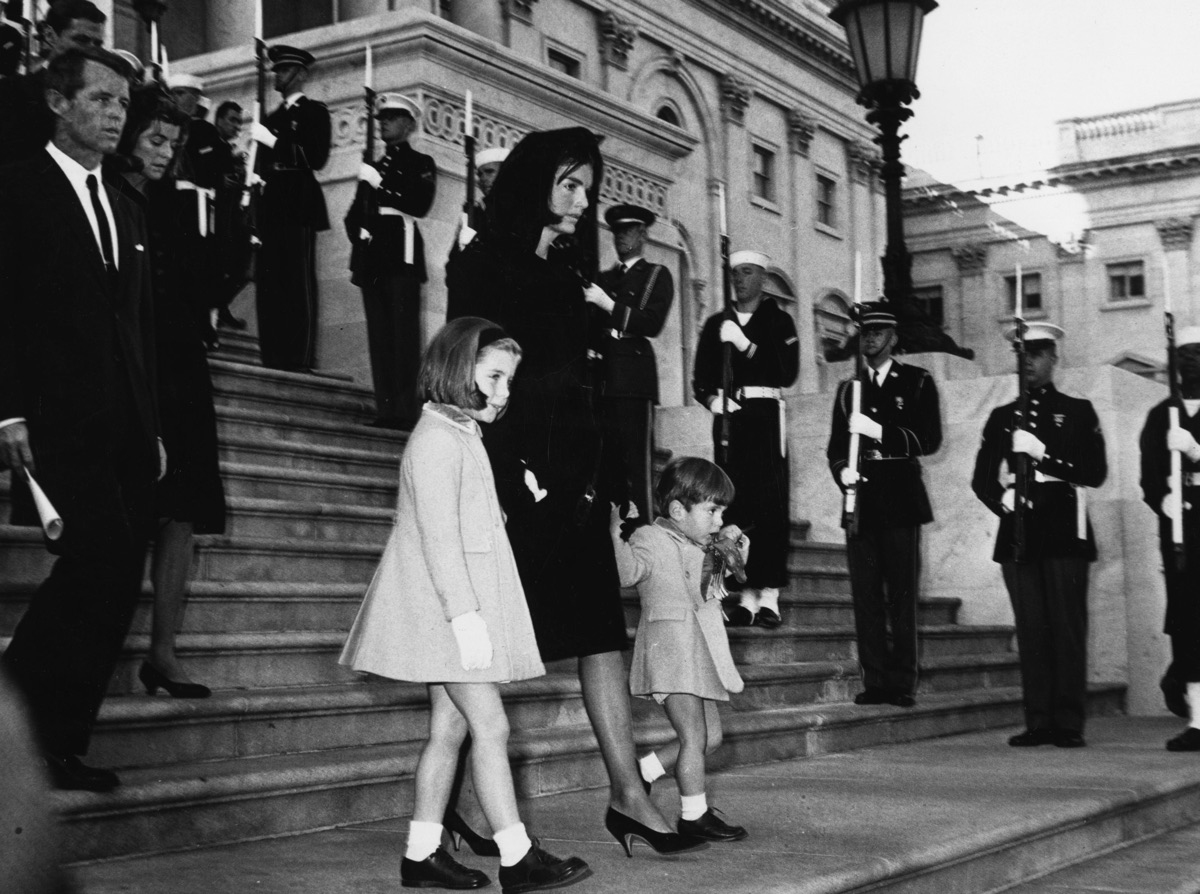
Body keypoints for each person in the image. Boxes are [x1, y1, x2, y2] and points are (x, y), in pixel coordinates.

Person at [446, 127, 699, 856]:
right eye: (568, 184)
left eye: (587, 187)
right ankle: (460, 801)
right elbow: (469, 379)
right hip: (517, 481)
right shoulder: (481, 266)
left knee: (598, 636)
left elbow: (596, 387)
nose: (581, 200)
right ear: (532, 184)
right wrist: (504, 473)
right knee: (493, 643)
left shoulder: (566, 275)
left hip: (580, 483)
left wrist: (618, 482)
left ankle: (628, 794)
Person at [340, 317, 590, 893]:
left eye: (509, 381)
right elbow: (437, 537)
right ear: (457, 370)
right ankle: (516, 855)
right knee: (492, 726)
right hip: (448, 612)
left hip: (453, 609)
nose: (504, 393)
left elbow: (463, 520)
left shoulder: (458, 434)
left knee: (449, 730)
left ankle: (421, 853)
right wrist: (464, 616)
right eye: (494, 377)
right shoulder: (434, 440)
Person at [0, 45, 162, 791]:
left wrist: (151, 425)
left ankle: (54, 745)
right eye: (100, 100)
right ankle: (16, 725)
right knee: (97, 562)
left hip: (122, 424)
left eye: (123, 104)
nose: (114, 116)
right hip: (51, 418)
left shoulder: (126, 204)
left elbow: (133, 327)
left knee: (119, 573)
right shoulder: (17, 188)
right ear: (59, 103)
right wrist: (7, 414)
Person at [109, 85, 227, 700]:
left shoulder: (178, 203)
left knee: (181, 511)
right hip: (132, 365)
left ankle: (162, 651)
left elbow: (205, 282)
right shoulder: (107, 192)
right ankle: (98, 649)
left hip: (180, 367)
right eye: (155, 139)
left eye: (172, 144)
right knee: (133, 510)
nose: (164, 152)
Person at [971, 322, 1107, 749]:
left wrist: (1043, 455)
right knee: (1031, 631)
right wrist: (1003, 502)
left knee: (1066, 628)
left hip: (1065, 528)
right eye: (1021, 354)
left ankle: (1068, 722)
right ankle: (1038, 721)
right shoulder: (1002, 416)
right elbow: (981, 480)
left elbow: (1094, 473)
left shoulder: (1078, 411)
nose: (1028, 361)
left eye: (1036, 353)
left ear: (1053, 358)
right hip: (1020, 534)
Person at [610, 456, 748, 847]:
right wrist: (614, 533)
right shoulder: (650, 539)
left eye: (722, 511)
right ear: (677, 510)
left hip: (698, 652)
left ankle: (642, 774)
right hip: (670, 650)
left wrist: (732, 553)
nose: (719, 520)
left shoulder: (696, 543)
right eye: (712, 510)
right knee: (693, 736)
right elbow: (625, 574)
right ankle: (693, 816)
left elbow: (710, 589)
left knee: (711, 738)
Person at [826, 301, 943, 709]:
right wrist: (842, 471)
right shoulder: (849, 389)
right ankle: (874, 679)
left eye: (878, 332)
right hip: (861, 501)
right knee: (866, 597)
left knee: (902, 596)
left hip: (899, 498)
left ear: (893, 338)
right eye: (866, 332)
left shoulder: (916, 381)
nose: (870, 338)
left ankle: (902, 682)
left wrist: (880, 431)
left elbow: (929, 439)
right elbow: (835, 449)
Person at [692, 250, 799, 628]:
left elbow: (786, 371)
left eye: (748, 272)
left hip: (766, 418)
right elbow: (701, 376)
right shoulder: (717, 323)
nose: (739, 279)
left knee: (769, 504)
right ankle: (742, 593)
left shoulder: (779, 321)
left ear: (763, 277)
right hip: (730, 420)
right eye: (735, 272)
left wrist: (745, 345)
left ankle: (768, 594)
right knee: (732, 504)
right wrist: (711, 398)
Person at [344, 92, 436, 429]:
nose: (383, 124)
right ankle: (386, 409)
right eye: (381, 119)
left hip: (401, 253)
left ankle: (405, 410)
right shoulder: (373, 165)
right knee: (380, 336)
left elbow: (418, 203)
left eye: (391, 119)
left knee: (403, 336)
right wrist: (359, 231)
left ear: (410, 124)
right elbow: (354, 212)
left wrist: (381, 183)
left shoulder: (420, 163)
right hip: (373, 257)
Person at [249, 43, 331, 372]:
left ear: (300, 74)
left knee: (297, 282)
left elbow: (316, 157)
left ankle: (299, 355)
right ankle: (274, 354)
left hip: (297, 201)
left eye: (283, 70)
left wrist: (274, 143)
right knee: (270, 282)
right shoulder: (270, 117)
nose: (276, 76)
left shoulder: (314, 112)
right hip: (271, 205)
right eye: (276, 70)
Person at [591, 203, 674, 520]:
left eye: (628, 231)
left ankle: (644, 533)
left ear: (642, 234)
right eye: (617, 232)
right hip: (602, 375)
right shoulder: (603, 277)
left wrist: (608, 304)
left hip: (633, 378)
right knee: (605, 464)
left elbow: (650, 323)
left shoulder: (655, 275)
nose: (621, 238)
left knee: (637, 466)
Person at [1138, 325, 1200, 752]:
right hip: (1179, 534)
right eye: (1184, 356)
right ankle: (1198, 719)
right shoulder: (1162, 414)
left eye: (1198, 355)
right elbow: (1148, 476)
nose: (1190, 363)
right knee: (1187, 622)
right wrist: (1162, 500)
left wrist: (1197, 452)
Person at [0, 0, 105, 166]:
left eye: (97, 44)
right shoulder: (12, 93)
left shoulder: (105, 100)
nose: (91, 51)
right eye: (81, 40)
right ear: (49, 35)